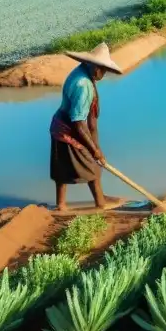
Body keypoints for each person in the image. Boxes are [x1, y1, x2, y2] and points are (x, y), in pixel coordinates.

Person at [49, 42, 123, 211]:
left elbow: (91, 121)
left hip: (65, 124)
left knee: (91, 163)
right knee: (90, 164)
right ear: (91, 64)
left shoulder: (84, 72)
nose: (102, 73)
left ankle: (77, 202)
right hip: (68, 129)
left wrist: (96, 146)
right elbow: (79, 122)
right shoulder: (83, 85)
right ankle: (99, 204)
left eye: (105, 70)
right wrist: (95, 151)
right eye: (101, 69)